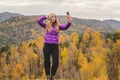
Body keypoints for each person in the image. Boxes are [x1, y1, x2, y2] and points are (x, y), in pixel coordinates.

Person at [37, 12, 72, 80]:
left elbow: (66, 27)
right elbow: (39, 21)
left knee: (56, 62)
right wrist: (46, 16)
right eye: (52, 17)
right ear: (50, 18)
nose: (53, 18)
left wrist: (69, 21)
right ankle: (47, 76)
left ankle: (52, 76)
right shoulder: (46, 25)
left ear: (56, 18)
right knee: (47, 61)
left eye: (54, 17)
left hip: (55, 46)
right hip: (47, 45)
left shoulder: (58, 26)